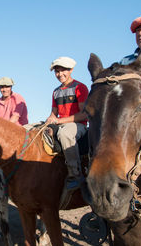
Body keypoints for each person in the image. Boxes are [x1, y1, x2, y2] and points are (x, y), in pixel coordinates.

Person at [46, 57, 88, 192]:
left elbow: (84, 114)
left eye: (63, 71)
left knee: (64, 134)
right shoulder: (55, 91)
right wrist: (48, 121)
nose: (59, 74)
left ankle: (75, 174)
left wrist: (58, 121)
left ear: (71, 70)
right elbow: (54, 113)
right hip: (60, 123)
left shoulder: (79, 87)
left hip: (77, 125)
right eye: (57, 72)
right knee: (31, 130)